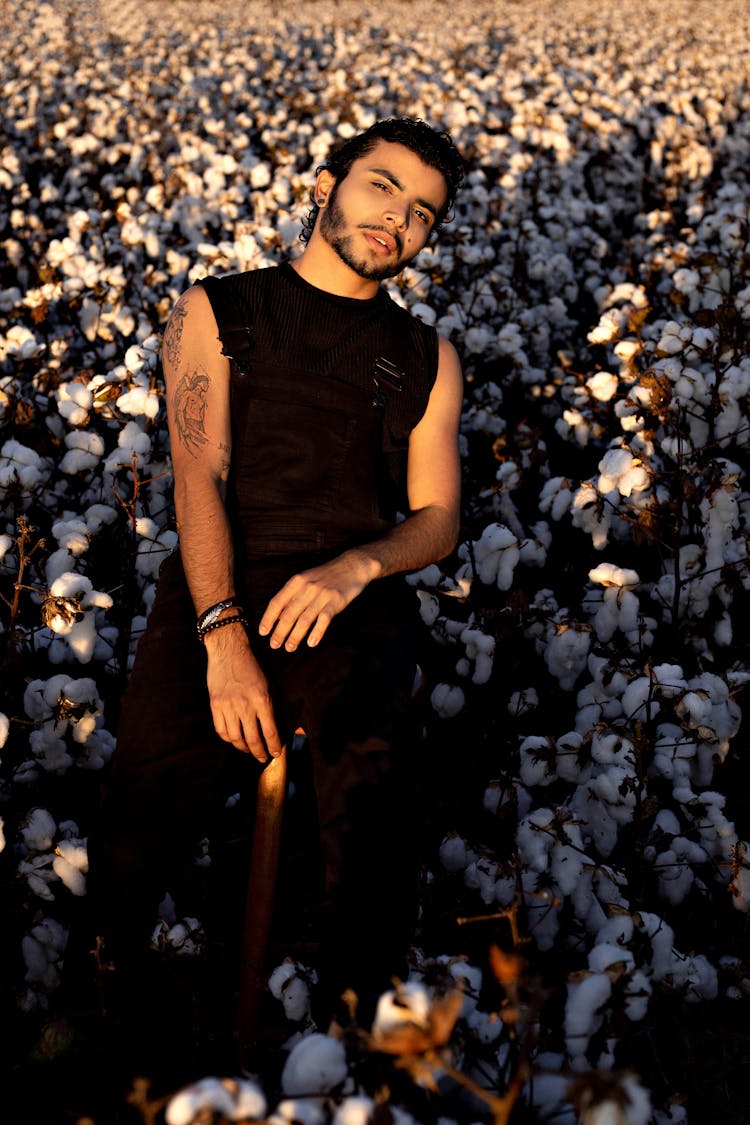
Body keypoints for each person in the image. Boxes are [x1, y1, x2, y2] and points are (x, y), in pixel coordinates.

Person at [85, 116, 465, 1042]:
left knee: (370, 802)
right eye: (382, 187)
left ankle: (352, 1042)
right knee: (147, 801)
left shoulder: (428, 357)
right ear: (330, 179)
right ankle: (114, 1017)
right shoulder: (216, 311)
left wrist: (357, 565)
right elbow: (199, 478)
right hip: (226, 580)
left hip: (354, 601)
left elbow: (438, 519)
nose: (397, 220)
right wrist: (223, 636)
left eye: (421, 212)